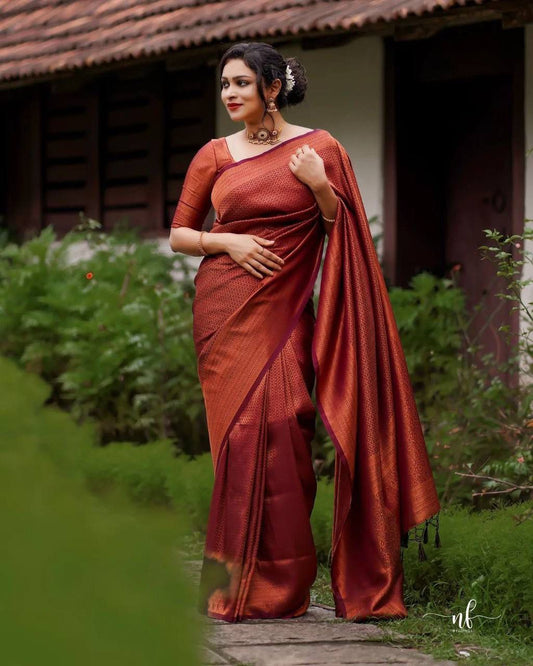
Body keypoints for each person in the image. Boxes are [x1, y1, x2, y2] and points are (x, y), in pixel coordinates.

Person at [169, 41, 440, 623]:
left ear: (273, 87)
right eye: (225, 85)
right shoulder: (214, 155)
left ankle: (283, 587)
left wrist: (319, 185)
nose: (231, 95)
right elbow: (180, 234)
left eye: (242, 83)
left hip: (287, 309)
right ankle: (231, 583)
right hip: (223, 310)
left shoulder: (321, 149)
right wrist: (229, 240)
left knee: (284, 423)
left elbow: (343, 232)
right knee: (239, 441)